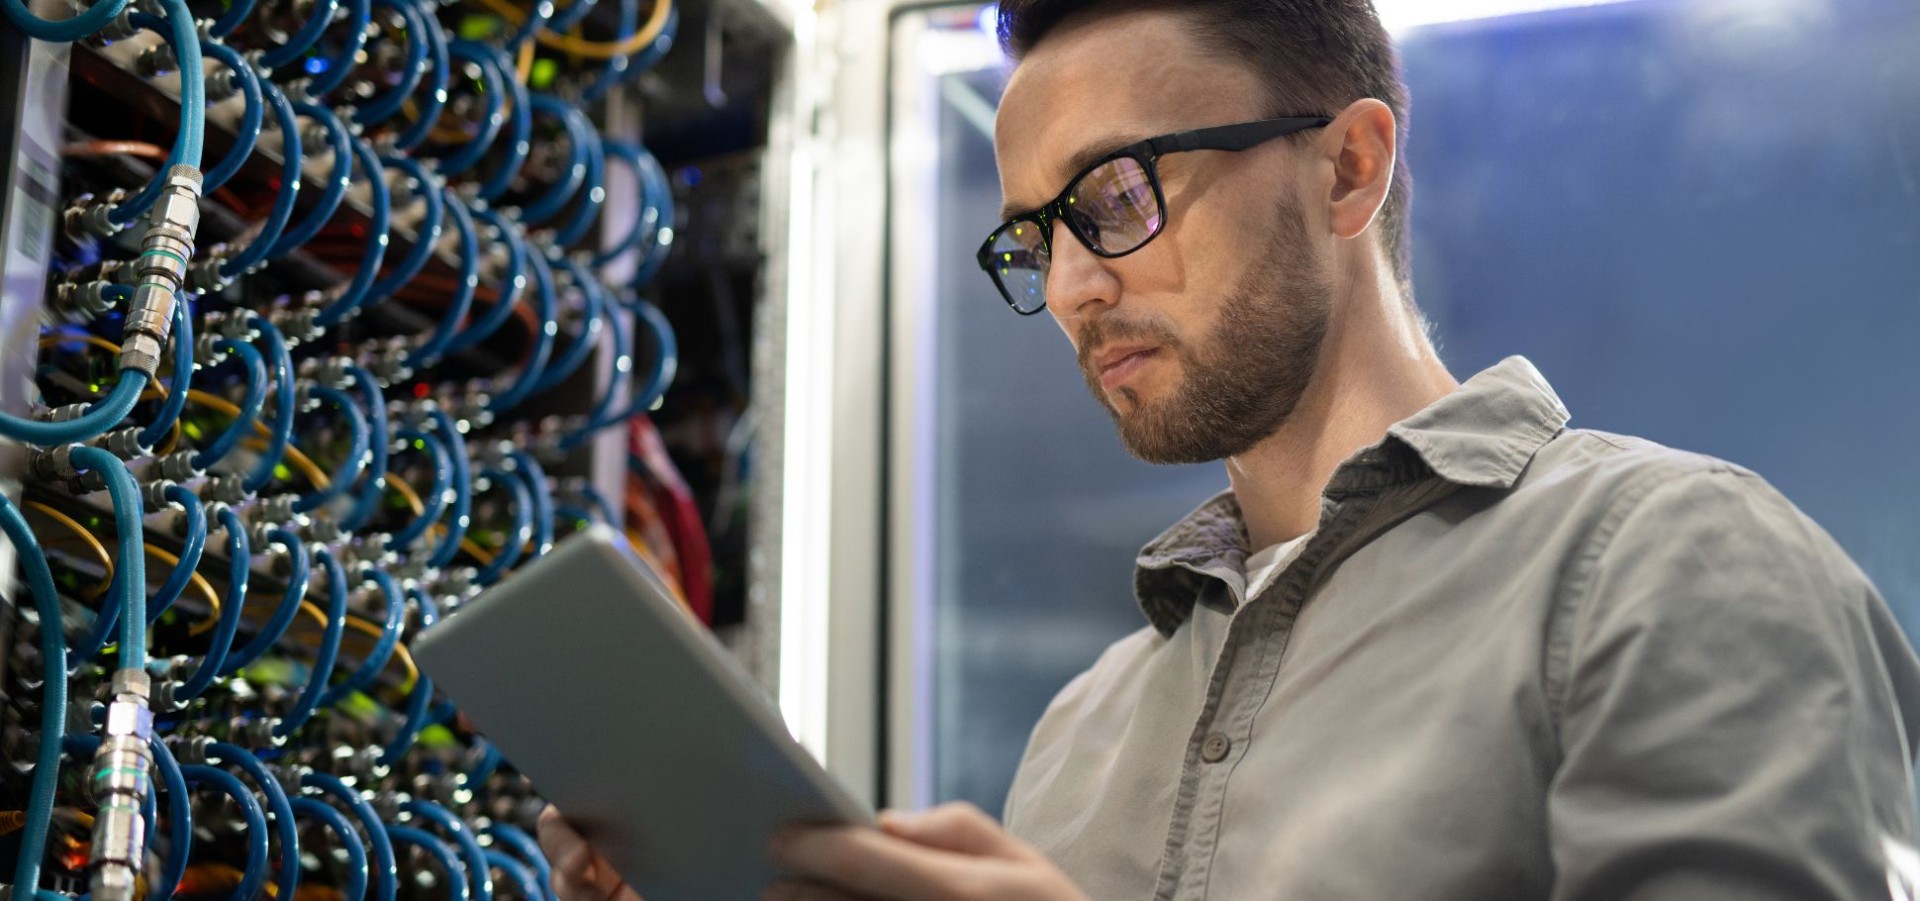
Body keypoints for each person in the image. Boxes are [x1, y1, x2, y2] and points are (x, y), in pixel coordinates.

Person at [539, 0, 1920, 897]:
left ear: (1345, 167)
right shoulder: (1084, 729)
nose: (1073, 287)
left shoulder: (1667, 567)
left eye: (1118, 195)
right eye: (1037, 236)